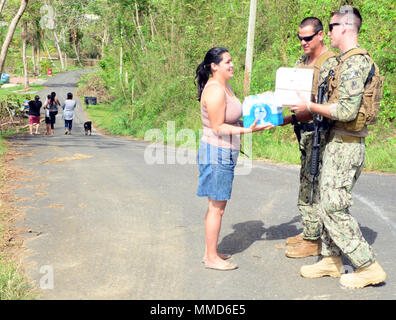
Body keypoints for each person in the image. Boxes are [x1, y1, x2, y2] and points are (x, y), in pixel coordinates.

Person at [290, 6, 386, 288]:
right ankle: (332, 260)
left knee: (333, 205)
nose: (328, 32)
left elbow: (345, 110)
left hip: (347, 143)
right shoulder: (343, 62)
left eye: (331, 27)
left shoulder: (356, 63)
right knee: (322, 201)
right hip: (337, 141)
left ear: (344, 27)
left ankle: (367, 265)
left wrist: (309, 106)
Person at [195, 47, 272, 271]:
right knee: (216, 207)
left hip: (223, 152)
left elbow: (237, 114)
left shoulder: (224, 87)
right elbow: (218, 127)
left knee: (218, 205)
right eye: (227, 62)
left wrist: (262, 100)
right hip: (216, 152)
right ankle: (210, 258)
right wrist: (250, 131)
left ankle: (212, 252)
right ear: (214, 66)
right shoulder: (216, 91)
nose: (232, 65)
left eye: (232, 61)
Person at [281, 17, 338, 259]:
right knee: (307, 181)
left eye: (307, 38)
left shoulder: (332, 64)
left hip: (321, 133)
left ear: (321, 35)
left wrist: (311, 110)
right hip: (303, 130)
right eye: (299, 38)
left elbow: (335, 103)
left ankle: (314, 239)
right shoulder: (302, 62)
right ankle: (309, 232)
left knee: (313, 184)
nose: (303, 42)